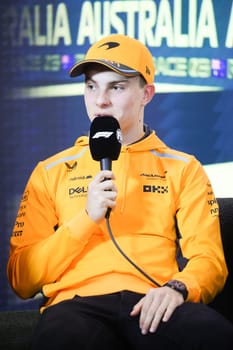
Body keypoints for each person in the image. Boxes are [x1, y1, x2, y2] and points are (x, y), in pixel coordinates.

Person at [7, 34, 233, 349]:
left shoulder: (184, 168)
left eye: (116, 86)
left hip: (153, 301)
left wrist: (179, 288)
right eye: (91, 86)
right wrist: (87, 218)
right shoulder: (50, 170)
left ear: (146, 94)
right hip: (74, 305)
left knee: (214, 335)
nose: (100, 100)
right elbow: (21, 278)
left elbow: (209, 259)